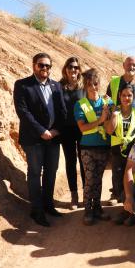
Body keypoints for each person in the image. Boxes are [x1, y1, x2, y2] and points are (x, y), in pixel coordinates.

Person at [13, 53, 67, 227]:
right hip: (33, 139)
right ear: (34, 65)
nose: (44, 69)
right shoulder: (22, 85)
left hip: (53, 138)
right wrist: (41, 131)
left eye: (48, 66)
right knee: (35, 174)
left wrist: (57, 129)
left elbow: (62, 110)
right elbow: (23, 112)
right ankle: (36, 211)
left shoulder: (56, 86)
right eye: (41, 65)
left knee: (51, 172)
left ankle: (48, 205)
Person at [74, 68, 113, 226]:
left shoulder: (107, 102)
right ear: (85, 85)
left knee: (98, 179)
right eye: (89, 84)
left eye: (95, 84)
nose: (93, 87)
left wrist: (110, 114)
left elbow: (115, 117)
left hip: (103, 146)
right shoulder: (80, 105)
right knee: (90, 179)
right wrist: (101, 120)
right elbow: (82, 128)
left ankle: (97, 207)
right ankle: (88, 210)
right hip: (87, 148)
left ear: (99, 84)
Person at [105, 84, 135, 225]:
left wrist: (134, 142)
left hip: (132, 154)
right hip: (117, 154)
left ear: (133, 97)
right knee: (118, 183)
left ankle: (131, 212)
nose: (126, 98)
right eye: (123, 95)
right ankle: (126, 209)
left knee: (130, 182)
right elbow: (109, 131)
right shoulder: (114, 112)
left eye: (129, 95)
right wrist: (114, 116)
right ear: (119, 97)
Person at [59, 57, 85, 210]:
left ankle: (86, 194)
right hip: (66, 130)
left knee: (83, 161)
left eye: (75, 67)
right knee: (70, 162)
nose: (73, 70)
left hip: (82, 129)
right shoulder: (59, 86)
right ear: (65, 69)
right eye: (70, 67)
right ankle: (74, 196)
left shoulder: (84, 87)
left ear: (79, 70)